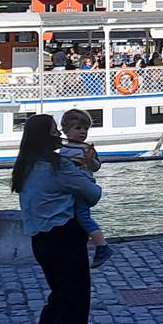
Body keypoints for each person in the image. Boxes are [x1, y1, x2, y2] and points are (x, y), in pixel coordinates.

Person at [11, 112, 101, 324]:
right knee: (74, 306)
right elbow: (92, 192)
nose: (58, 135)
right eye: (54, 130)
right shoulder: (58, 165)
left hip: (41, 240)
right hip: (65, 238)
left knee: (58, 300)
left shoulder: (24, 167)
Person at [58, 109, 113, 266]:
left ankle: (102, 245)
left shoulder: (86, 148)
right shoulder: (63, 148)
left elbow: (96, 167)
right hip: (70, 188)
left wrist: (90, 160)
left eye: (85, 129)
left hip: (82, 188)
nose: (82, 132)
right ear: (66, 130)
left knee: (83, 216)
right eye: (78, 128)